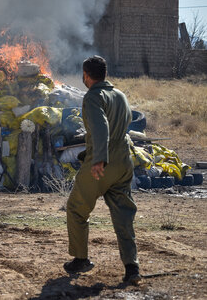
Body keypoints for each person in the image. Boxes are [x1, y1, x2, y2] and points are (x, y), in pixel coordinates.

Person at [64, 55, 140, 284]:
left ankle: (80, 259)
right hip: (124, 162)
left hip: (102, 163)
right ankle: (132, 268)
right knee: (123, 215)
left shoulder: (93, 97)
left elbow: (100, 126)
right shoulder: (120, 95)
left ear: (86, 75)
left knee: (76, 208)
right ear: (105, 73)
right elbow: (123, 125)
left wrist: (98, 159)